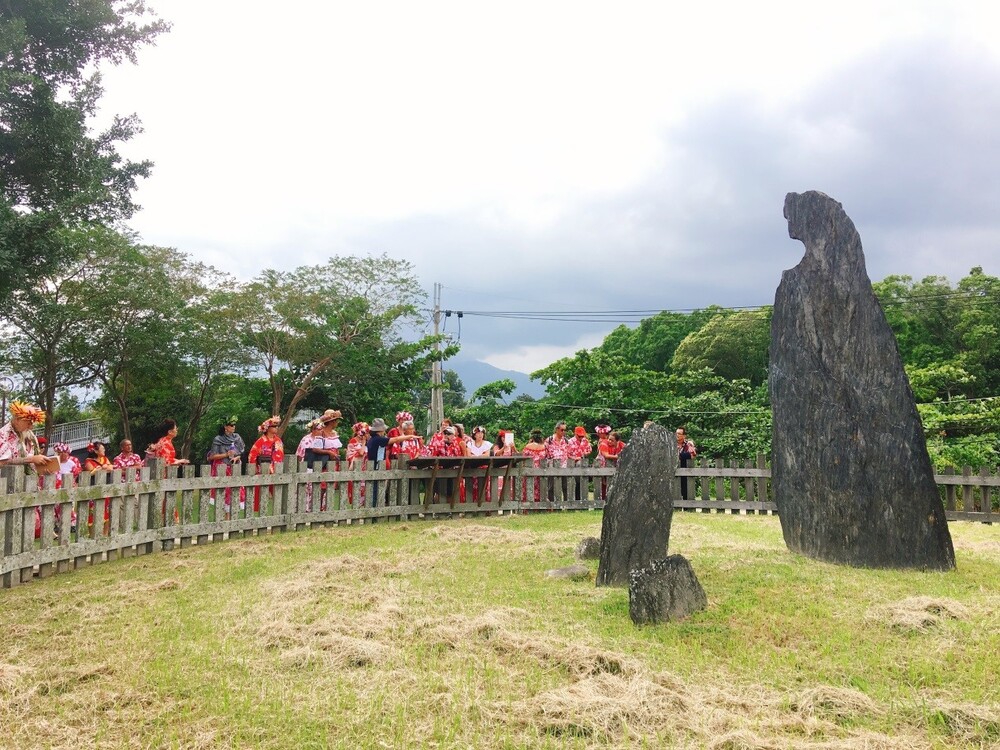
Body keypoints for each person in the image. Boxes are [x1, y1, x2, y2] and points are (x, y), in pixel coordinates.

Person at [365, 418, 408, 510]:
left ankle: (375, 508)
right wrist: (409, 437)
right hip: (376, 466)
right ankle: (374, 509)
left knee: (376, 489)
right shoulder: (378, 439)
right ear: (380, 430)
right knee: (375, 490)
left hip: (376, 465)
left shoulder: (372, 439)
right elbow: (395, 439)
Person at [207, 418, 246, 515]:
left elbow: (241, 451)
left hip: (233, 467)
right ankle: (224, 518)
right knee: (223, 493)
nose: (234, 427)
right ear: (225, 427)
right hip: (221, 468)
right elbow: (212, 456)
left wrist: (237, 457)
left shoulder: (237, 437)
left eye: (234, 425)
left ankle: (231, 519)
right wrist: (226, 454)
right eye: (231, 425)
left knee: (235, 491)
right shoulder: (218, 439)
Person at [248, 416, 284, 514]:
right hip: (263, 469)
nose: (276, 428)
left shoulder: (278, 441)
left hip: (276, 469)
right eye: (274, 426)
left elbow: (280, 454)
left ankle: (277, 512)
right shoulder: (260, 441)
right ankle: (258, 512)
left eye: (277, 426)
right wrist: (254, 467)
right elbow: (252, 455)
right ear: (268, 428)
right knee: (260, 494)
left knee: (277, 493)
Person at [0, 401, 49, 470]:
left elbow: (33, 461)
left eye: (32, 424)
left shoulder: (29, 436)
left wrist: (44, 469)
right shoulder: (3, 435)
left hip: (27, 479)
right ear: (17, 420)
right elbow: (2, 462)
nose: (31, 427)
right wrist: (30, 459)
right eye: (28, 423)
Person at [426, 425, 464, 501]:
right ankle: (438, 508)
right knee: (439, 491)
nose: (446, 435)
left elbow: (458, 456)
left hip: (452, 471)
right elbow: (433, 456)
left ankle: (449, 510)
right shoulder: (438, 444)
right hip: (440, 471)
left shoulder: (456, 444)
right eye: (445, 433)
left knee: (450, 491)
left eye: (449, 434)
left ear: (453, 435)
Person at [594, 426, 625, 500]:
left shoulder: (622, 445)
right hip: (601, 465)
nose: (609, 441)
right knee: (603, 484)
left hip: (614, 467)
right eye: (609, 439)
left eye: (612, 440)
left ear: (617, 441)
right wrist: (619, 456)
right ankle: (602, 501)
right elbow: (606, 455)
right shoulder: (603, 443)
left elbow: (628, 452)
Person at [521, 429, 548, 504]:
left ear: (532, 438)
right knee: (540, 490)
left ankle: (528, 505)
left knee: (528, 488)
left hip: (529, 470)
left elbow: (523, 457)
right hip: (540, 471)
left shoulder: (528, 446)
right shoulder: (544, 447)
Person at [676, 426, 697, 500]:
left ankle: (686, 508)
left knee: (685, 490)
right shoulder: (671, 443)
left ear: (684, 435)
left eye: (679, 433)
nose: (677, 435)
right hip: (673, 471)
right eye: (676, 433)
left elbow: (692, 455)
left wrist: (678, 456)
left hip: (685, 470)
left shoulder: (688, 444)